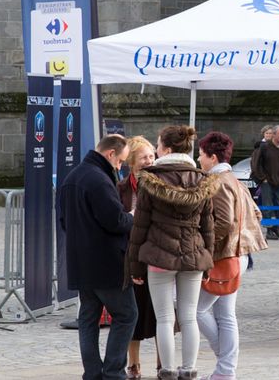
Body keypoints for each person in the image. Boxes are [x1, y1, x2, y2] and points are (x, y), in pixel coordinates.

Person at [128, 125, 220, 380]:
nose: (156, 150)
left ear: (166, 149)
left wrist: (134, 266)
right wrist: (208, 265)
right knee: (189, 317)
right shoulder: (203, 180)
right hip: (193, 256)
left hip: (159, 256)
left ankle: (167, 370)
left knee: (165, 318)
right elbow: (208, 228)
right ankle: (189, 369)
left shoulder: (150, 179)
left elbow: (140, 227)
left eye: (158, 145)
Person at [57, 134, 138, 380]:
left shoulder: (73, 177)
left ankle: (92, 373)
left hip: (81, 263)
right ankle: (113, 372)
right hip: (107, 262)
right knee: (127, 315)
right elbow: (115, 221)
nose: (121, 166)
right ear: (110, 154)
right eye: (120, 161)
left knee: (88, 319)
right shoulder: (99, 180)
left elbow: (63, 221)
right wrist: (133, 215)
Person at [195, 131, 269, 380]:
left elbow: (224, 222)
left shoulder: (217, 181)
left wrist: (206, 247)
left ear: (212, 158)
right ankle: (225, 371)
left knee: (195, 310)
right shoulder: (235, 179)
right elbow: (256, 214)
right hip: (238, 253)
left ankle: (225, 365)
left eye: (202, 154)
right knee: (225, 314)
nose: (198, 158)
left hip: (224, 255)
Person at [118, 136, 160, 379]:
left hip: (157, 256)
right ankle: (133, 364)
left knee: (161, 314)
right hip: (132, 257)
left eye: (152, 156)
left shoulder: (160, 183)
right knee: (133, 313)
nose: (149, 160)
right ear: (132, 161)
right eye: (144, 157)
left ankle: (161, 363)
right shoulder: (121, 188)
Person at [251, 124, 279, 240]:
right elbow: (255, 163)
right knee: (267, 206)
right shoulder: (264, 147)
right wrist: (262, 178)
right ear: (274, 135)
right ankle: (269, 230)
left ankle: (276, 226)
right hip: (267, 182)